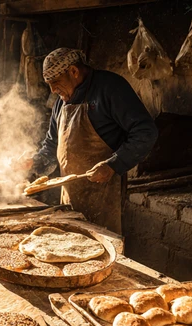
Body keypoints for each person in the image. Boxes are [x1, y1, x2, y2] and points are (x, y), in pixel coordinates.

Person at [28, 48, 158, 233]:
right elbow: (51, 144)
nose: (52, 90)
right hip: (70, 197)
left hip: (104, 196)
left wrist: (114, 165)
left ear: (73, 71)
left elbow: (146, 131)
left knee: (104, 250)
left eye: (55, 82)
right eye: (49, 84)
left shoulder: (110, 88)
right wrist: (34, 162)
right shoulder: (61, 100)